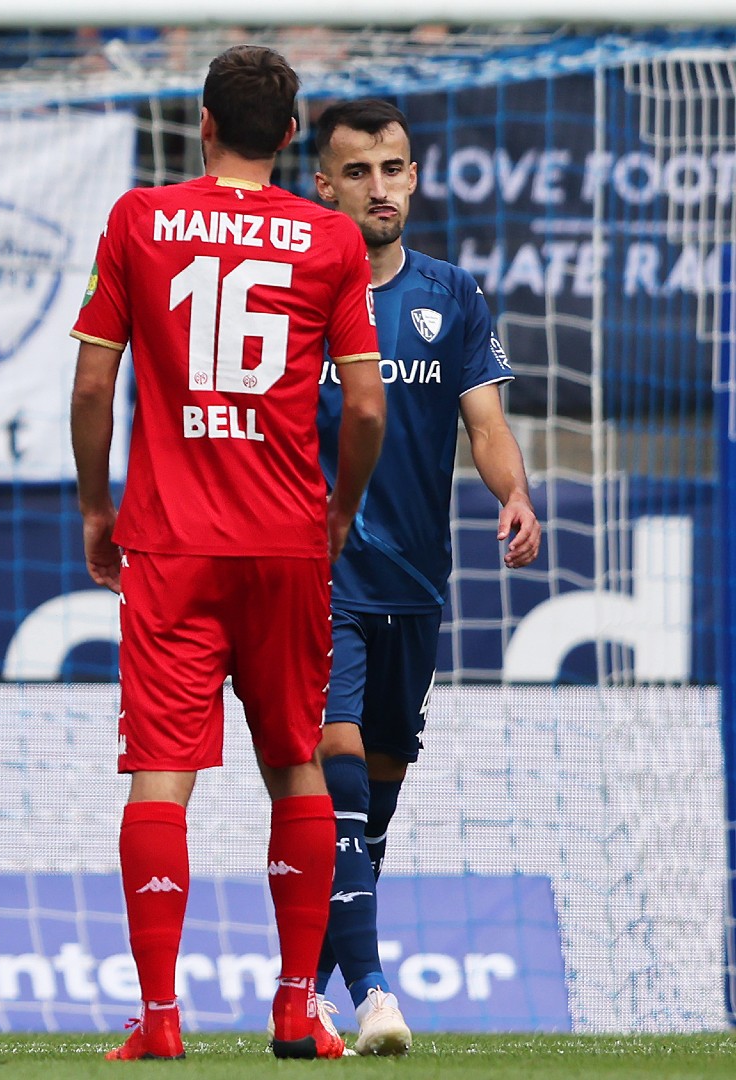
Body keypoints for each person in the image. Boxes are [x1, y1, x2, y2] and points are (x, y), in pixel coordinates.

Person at [68, 45, 387, 1061]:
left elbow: (89, 388)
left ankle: (161, 1020)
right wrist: (338, 511)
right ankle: (297, 1006)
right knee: (295, 766)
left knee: (161, 776)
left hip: (170, 541)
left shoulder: (138, 220)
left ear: (201, 122)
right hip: (286, 541)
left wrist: (92, 508)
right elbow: (368, 405)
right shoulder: (331, 237)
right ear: (293, 139)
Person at [307, 97, 540, 1055]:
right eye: (357, 172)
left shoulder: (454, 295)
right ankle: (371, 993)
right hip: (319, 574)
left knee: (377, 800)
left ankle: (303, 989)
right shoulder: (298, 293)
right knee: (340, 773)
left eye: (392, 168)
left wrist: (515, 494)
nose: (379, 188)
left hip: (416, 581)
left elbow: (485, 425)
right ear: (322, 184)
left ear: (414, 175)